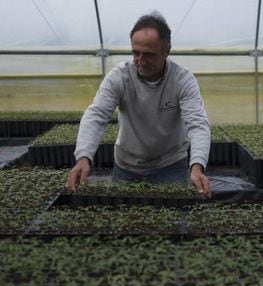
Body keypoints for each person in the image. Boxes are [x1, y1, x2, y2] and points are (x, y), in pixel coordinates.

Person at [65, 11, 211, 197]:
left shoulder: (182, 79)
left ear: (167, 50)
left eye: (149, 55)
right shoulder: (119, 77)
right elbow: (96, 115)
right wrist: (83, 157)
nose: (140, 61)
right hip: (127, 167)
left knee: (172, 222)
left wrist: (197, 166)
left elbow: (198, 124)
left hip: (171, 165)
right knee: (126, 222)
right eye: (136, 53)